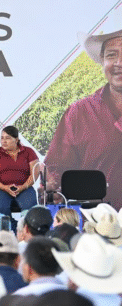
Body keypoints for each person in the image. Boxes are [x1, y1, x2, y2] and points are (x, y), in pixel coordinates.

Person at [44, 26, 122, 210]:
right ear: (102, 61)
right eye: (111, 55)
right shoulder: (79, 112)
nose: (119, 62)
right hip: (93, 221)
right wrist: (51, 184)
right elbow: (56, 167)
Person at [0, 125, 39, 220]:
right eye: (2, 138)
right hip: (0, 188)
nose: (3, 141)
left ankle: (27, 231)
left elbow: (35, 173)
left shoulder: (28, 152)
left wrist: (23, 187)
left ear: (16, 139)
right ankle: (11, 230)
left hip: (24, 187)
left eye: (7, 138)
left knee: (30, 209)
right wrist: (4, 187)